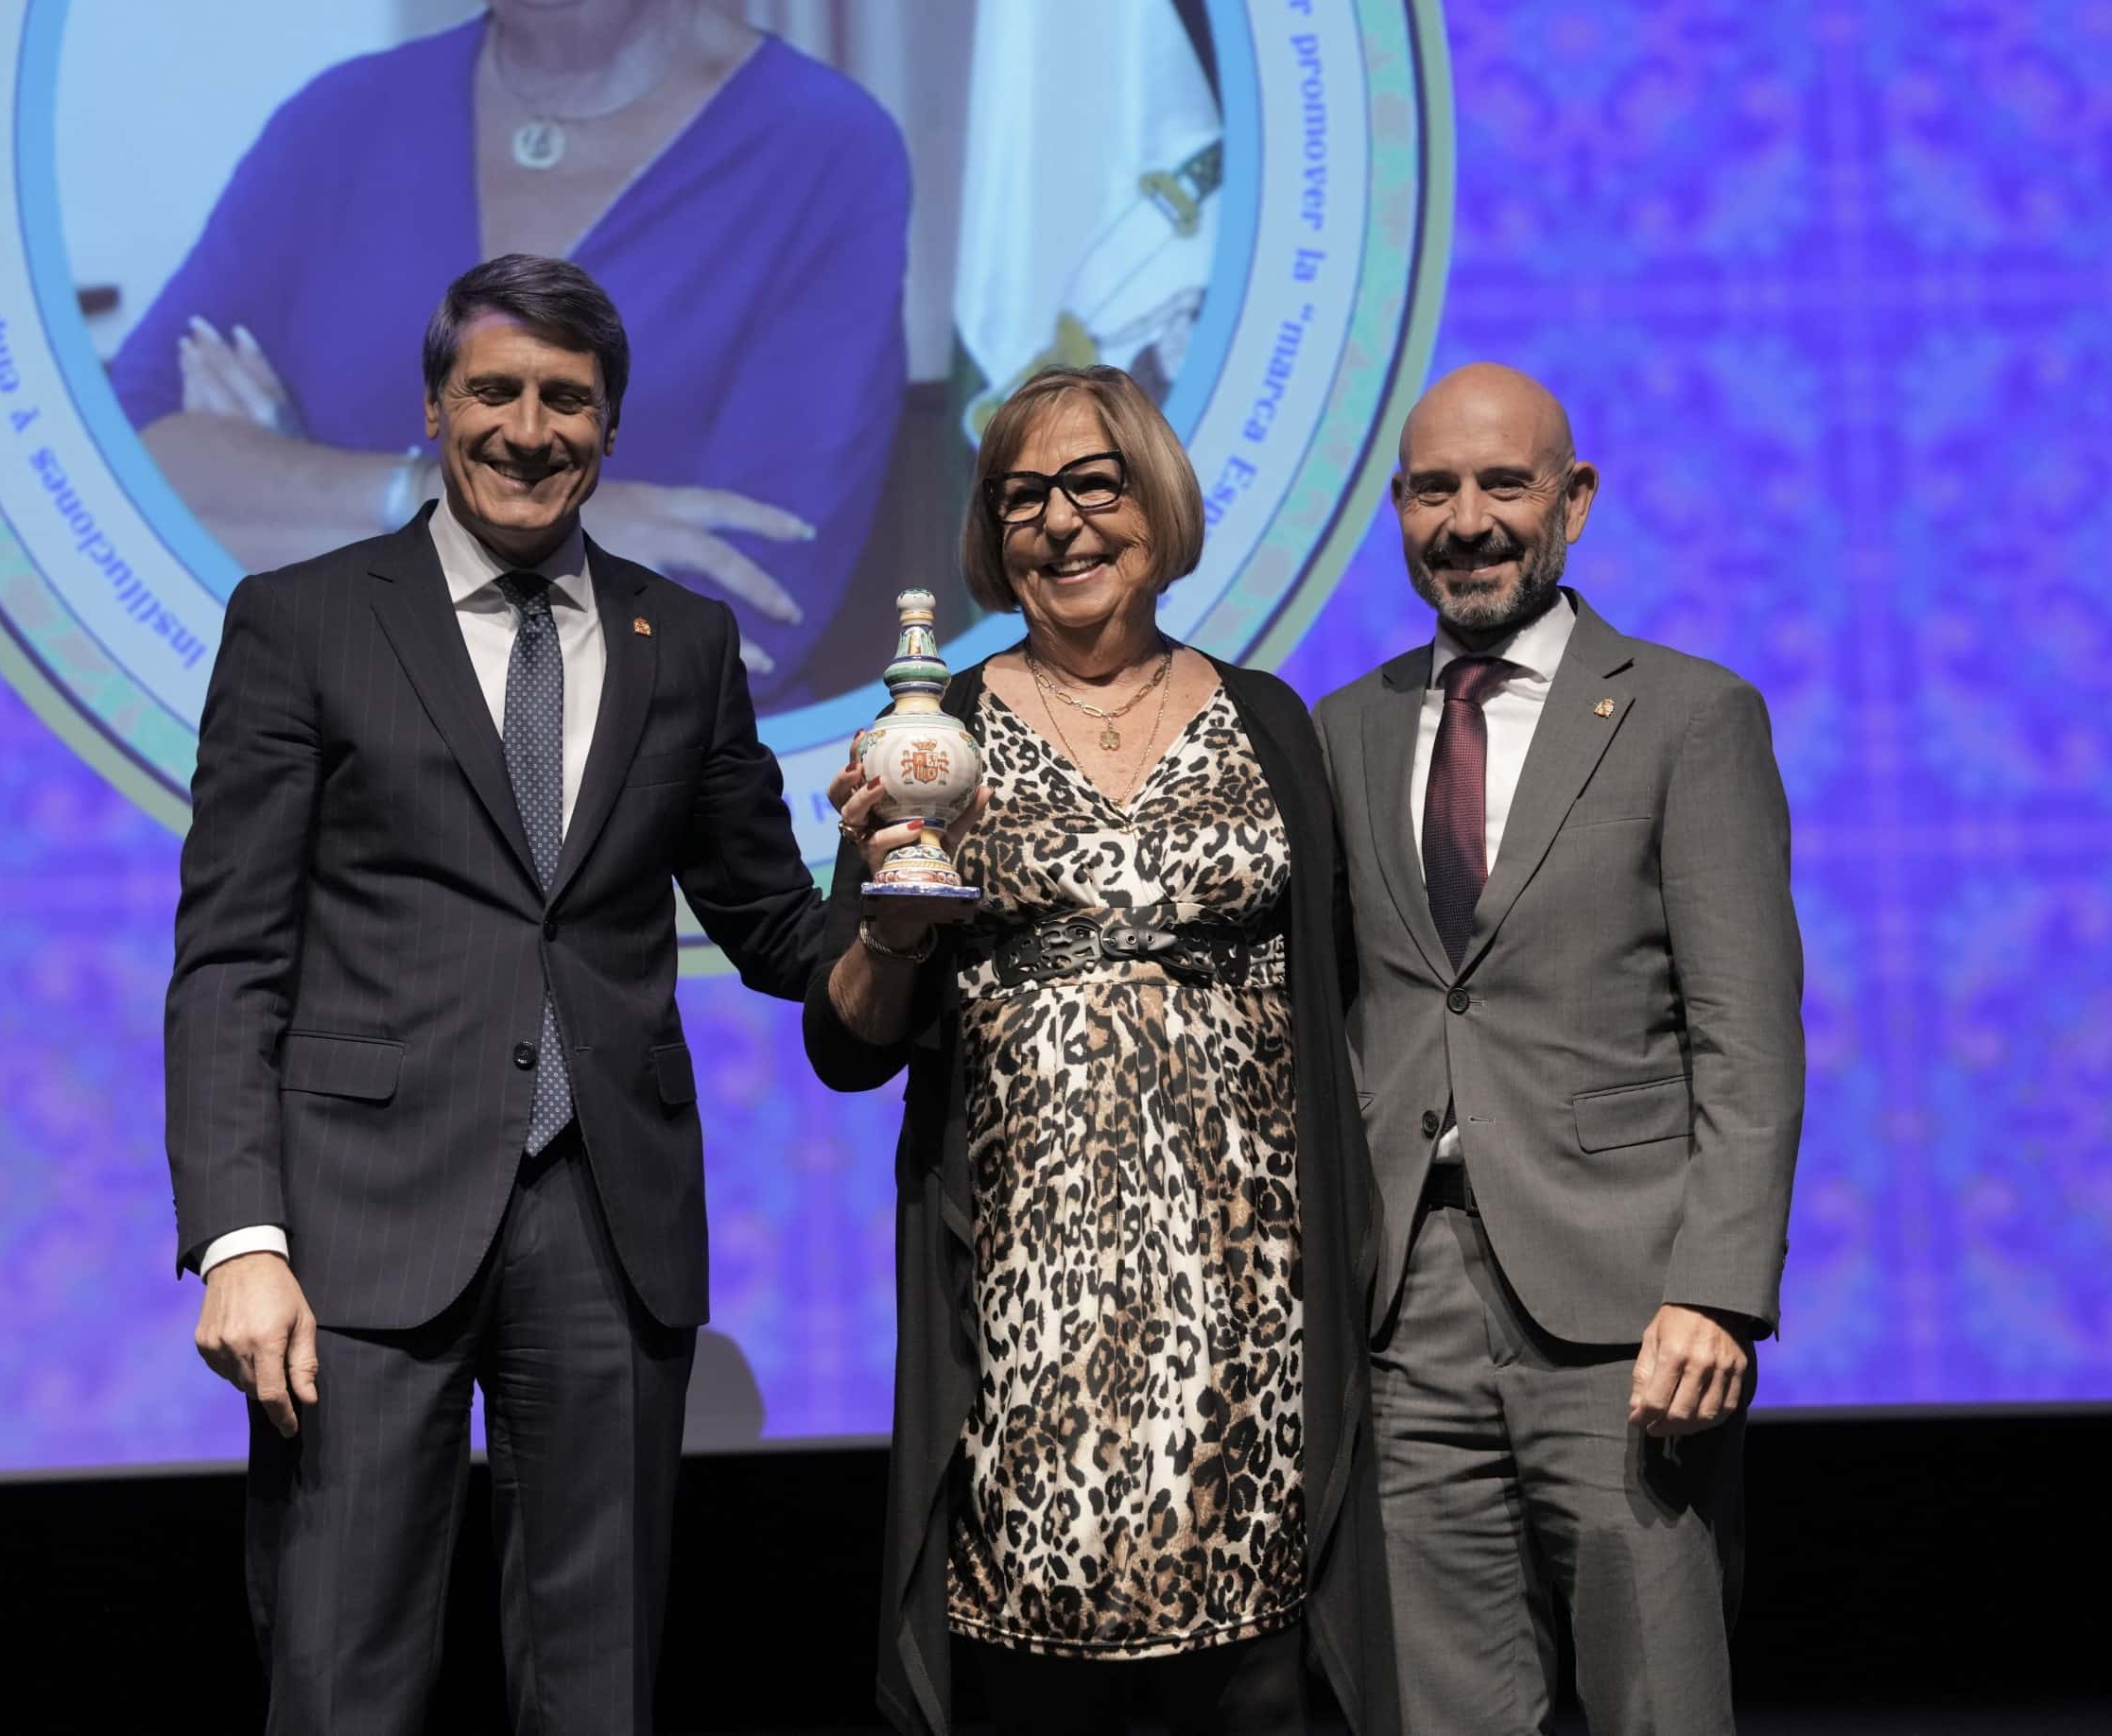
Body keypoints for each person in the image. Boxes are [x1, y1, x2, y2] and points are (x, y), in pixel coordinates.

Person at [163, 253, 822, 1734]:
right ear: (434, 408)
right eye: (497, 392)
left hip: (610, 1228)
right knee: (341, 1681)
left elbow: (778, 927)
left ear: (610, 426)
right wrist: (237, 1239)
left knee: (601, 1694)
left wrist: (913, 900)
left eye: (567, 400)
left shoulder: (683, 640)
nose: (531, 430)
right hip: (354, 1237)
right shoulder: (301, 621)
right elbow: (230, 958)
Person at [805, 365, 1397, 1736]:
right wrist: (891, 930)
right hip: (1025, 1300)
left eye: (1091, 484)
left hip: (1247, 1298)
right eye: (1021, 498)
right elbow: (845, 1044)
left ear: (1158, 503)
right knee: (1032, 1672)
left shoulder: (1267, 723)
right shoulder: (928, 732)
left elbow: (1346, 993)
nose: (1058, 523)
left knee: (1254, 1679)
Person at [1315, 362, 1804, 1733]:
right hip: (1403, 1320)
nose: (1465, 521)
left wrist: (1718, 1291)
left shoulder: (1686, 715)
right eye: (1431, 490)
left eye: (1502, 485)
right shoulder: (1342, 730)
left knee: (1657, 1699)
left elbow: (1747, 1039)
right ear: (1397, 513)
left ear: (1572, 502)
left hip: (1627, 1323)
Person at [108, 0, 909, 699]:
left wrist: (281, 491)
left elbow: (742, 617)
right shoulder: (339, 119)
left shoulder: (824, 146)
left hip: (649, 823)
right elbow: (123, 484)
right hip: (325, 788)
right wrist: (437, 502)